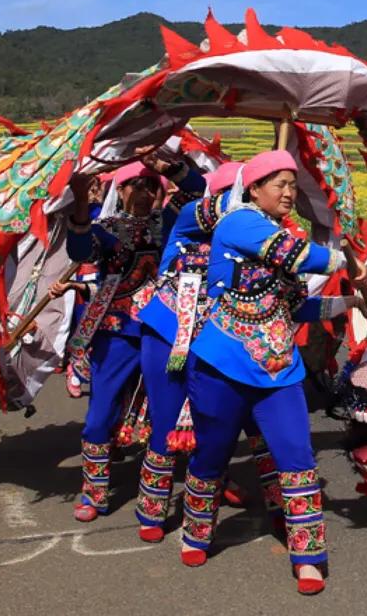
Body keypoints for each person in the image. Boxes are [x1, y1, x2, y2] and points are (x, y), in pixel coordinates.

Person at [179, 150, 367, 596]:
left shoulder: (279, 234)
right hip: (223, 363)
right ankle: (196, 531)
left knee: (298, 458)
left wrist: (351, 304)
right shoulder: (239, 224)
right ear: (254, 189)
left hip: (279, 368)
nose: (288, 193)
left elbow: (296, 306)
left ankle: (308, 556)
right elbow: (299, 254)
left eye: (292, 185)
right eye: (279, 184)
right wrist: (346, 260)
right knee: (211, 455)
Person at [131, 161, 279, 543]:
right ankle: (153, 510)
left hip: (230, 341)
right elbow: (211, 199)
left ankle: (282, 508)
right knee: (166, 425)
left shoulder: (265, 236)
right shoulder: (186, 219)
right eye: (242, 193)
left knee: (255, 427)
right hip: (170, 334)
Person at [65, 153, 205, 523]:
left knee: (169, 412)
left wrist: (170, 169)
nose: (142, 192)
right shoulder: (106, 227)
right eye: (134, 185)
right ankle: (93, 493)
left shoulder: (171, 222)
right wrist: (81, 203)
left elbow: (199, 190)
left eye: (150, 186)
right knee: (100, 413)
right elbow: (80, 249)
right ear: (120, 189)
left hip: (163, 327)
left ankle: (163, 498)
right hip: (116, 328)